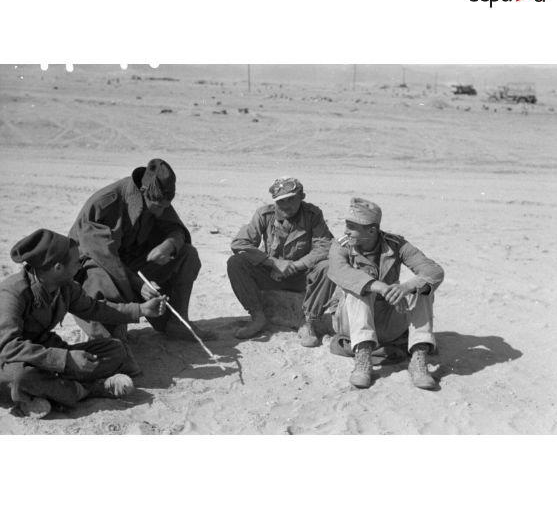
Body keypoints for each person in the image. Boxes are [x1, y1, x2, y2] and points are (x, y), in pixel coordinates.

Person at [0, 229, 167, 418]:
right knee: (20, 378)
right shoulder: (12, 293)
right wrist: (66, 359)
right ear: (57, 267)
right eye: (75, 263)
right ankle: (88, 389)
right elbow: (8, 347)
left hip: (46, 350)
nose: (79, 267)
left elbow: (96, 309)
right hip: (10, 361)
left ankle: (46, 392)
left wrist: (142, 310)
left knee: (115, 350)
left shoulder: (66, 287)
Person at [69, 159, 213, 342]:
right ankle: (105, 336)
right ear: (143, 193)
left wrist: (169, 244)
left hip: (132, 267)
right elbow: (106, 259)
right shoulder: (104, 204)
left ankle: (177, 323)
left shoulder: (156, 194)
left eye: (165, 207)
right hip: (97, 269)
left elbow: (176, 231)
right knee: (102, 282)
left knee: (187, 255)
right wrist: (140, 285)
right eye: (158, 207)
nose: (161, 212)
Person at [327, 198, 445, 390]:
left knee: (423, 289)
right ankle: (363, 357)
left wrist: (405, 288)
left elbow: (434, 271)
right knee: (359, 288)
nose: (345, 231)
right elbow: (339, 271)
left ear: (372, 230)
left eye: (351, 226)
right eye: (346, 225)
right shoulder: (341, 245)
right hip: (350, 320)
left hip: (388, 318)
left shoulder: (396, 244)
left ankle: (418, 357)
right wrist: (380, 287)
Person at [227, 177, 336, 346]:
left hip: (301, 275)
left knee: (327, 267)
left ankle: (308, 321)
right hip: (271, 274)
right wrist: (272, 263)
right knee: (236, 262)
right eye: (281, 201)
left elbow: (325, 246)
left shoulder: (312, 215)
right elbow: (239, 243)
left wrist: (295, 266)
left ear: (302, 197)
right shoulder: (264, 214)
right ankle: (257, 317)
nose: (286, 205)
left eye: (291, 199)